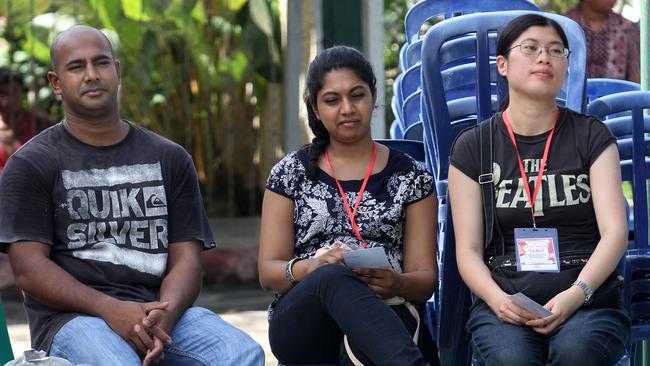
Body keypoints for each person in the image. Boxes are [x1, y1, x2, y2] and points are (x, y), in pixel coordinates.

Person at [0, 25, 264, 366]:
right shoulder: (32, 163)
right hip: (74, 321)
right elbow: (29, 270)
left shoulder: (170, 157)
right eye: (76, 67)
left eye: (101, 63)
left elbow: (187, 259)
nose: (92, 75)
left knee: (241, 354)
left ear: (117, 71)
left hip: (162, 313)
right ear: (55, 83)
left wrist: (164, 314)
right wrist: (111, 309)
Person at [448, 14, 630, 365]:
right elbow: (467, 250)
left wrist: (577, 294)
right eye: (530, 48)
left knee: (576, 351)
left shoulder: (592, 137)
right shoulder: (473, 147)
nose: (544, 58)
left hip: (587, 298)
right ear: (502, 64)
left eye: (555, 51)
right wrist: (498, 300)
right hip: (505, 298)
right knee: (511, 358)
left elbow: (615, 233)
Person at [258, 45, 438, 366]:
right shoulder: (289, 174)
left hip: (389, 306)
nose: (347, 108)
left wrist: (397, 282)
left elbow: (425, 280)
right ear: (315, 107)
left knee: (371, 332)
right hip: (304, 323)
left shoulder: (412, 176)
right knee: (332, 278)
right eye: (332, 100)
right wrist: (312, 268)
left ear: (373, 97)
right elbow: (269, 271)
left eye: (357, 95)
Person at [566, 0, 640, 82]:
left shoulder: (627, 29)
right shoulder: (563, 26)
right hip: (568, 94)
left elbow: (636, 74)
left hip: (616, 93)